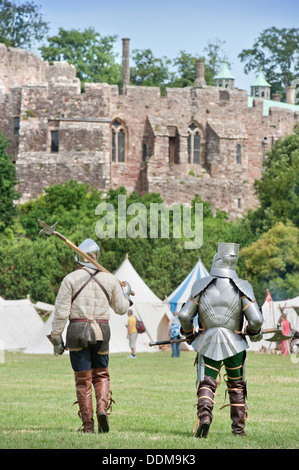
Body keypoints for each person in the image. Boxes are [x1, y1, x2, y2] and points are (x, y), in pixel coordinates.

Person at [47, 238, 133, 434]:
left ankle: (88, 427)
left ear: (78, 258)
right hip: (103, 331)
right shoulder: (110, 279)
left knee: (83, 380)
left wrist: (56, 338)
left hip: (77, 331)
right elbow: (121, 309)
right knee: (101, 374)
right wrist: (126, 294)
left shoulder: (70, 279)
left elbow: (61, 313)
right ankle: (102, 409)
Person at [179, 242, 263, 438]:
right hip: (235, 344)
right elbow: (256, 319)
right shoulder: (242, 287)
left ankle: (205, 418)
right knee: (236, 385)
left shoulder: (201, 285)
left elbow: (184, 316)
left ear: (217, 260)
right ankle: (238, 429)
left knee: (207, 383)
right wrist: (252, 332)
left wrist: (190, 335)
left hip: (206, 342)